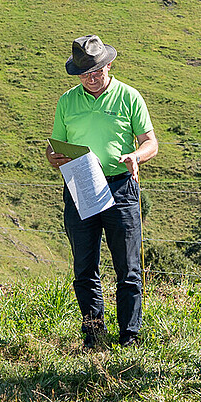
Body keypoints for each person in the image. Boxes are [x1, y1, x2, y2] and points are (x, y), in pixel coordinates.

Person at [46, 35, 157, 349]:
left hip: (121, 186)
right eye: (84, 74)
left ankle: (130, 336)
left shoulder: (129, 96)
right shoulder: (67, 100)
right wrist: (53, 158)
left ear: (109, 65)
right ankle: (94, 337)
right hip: (80, 183)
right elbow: (55, 145)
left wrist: (137, 156)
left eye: (96, 72)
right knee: (84, 267)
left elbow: (150, 141)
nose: (90, 79)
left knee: (128, 267)